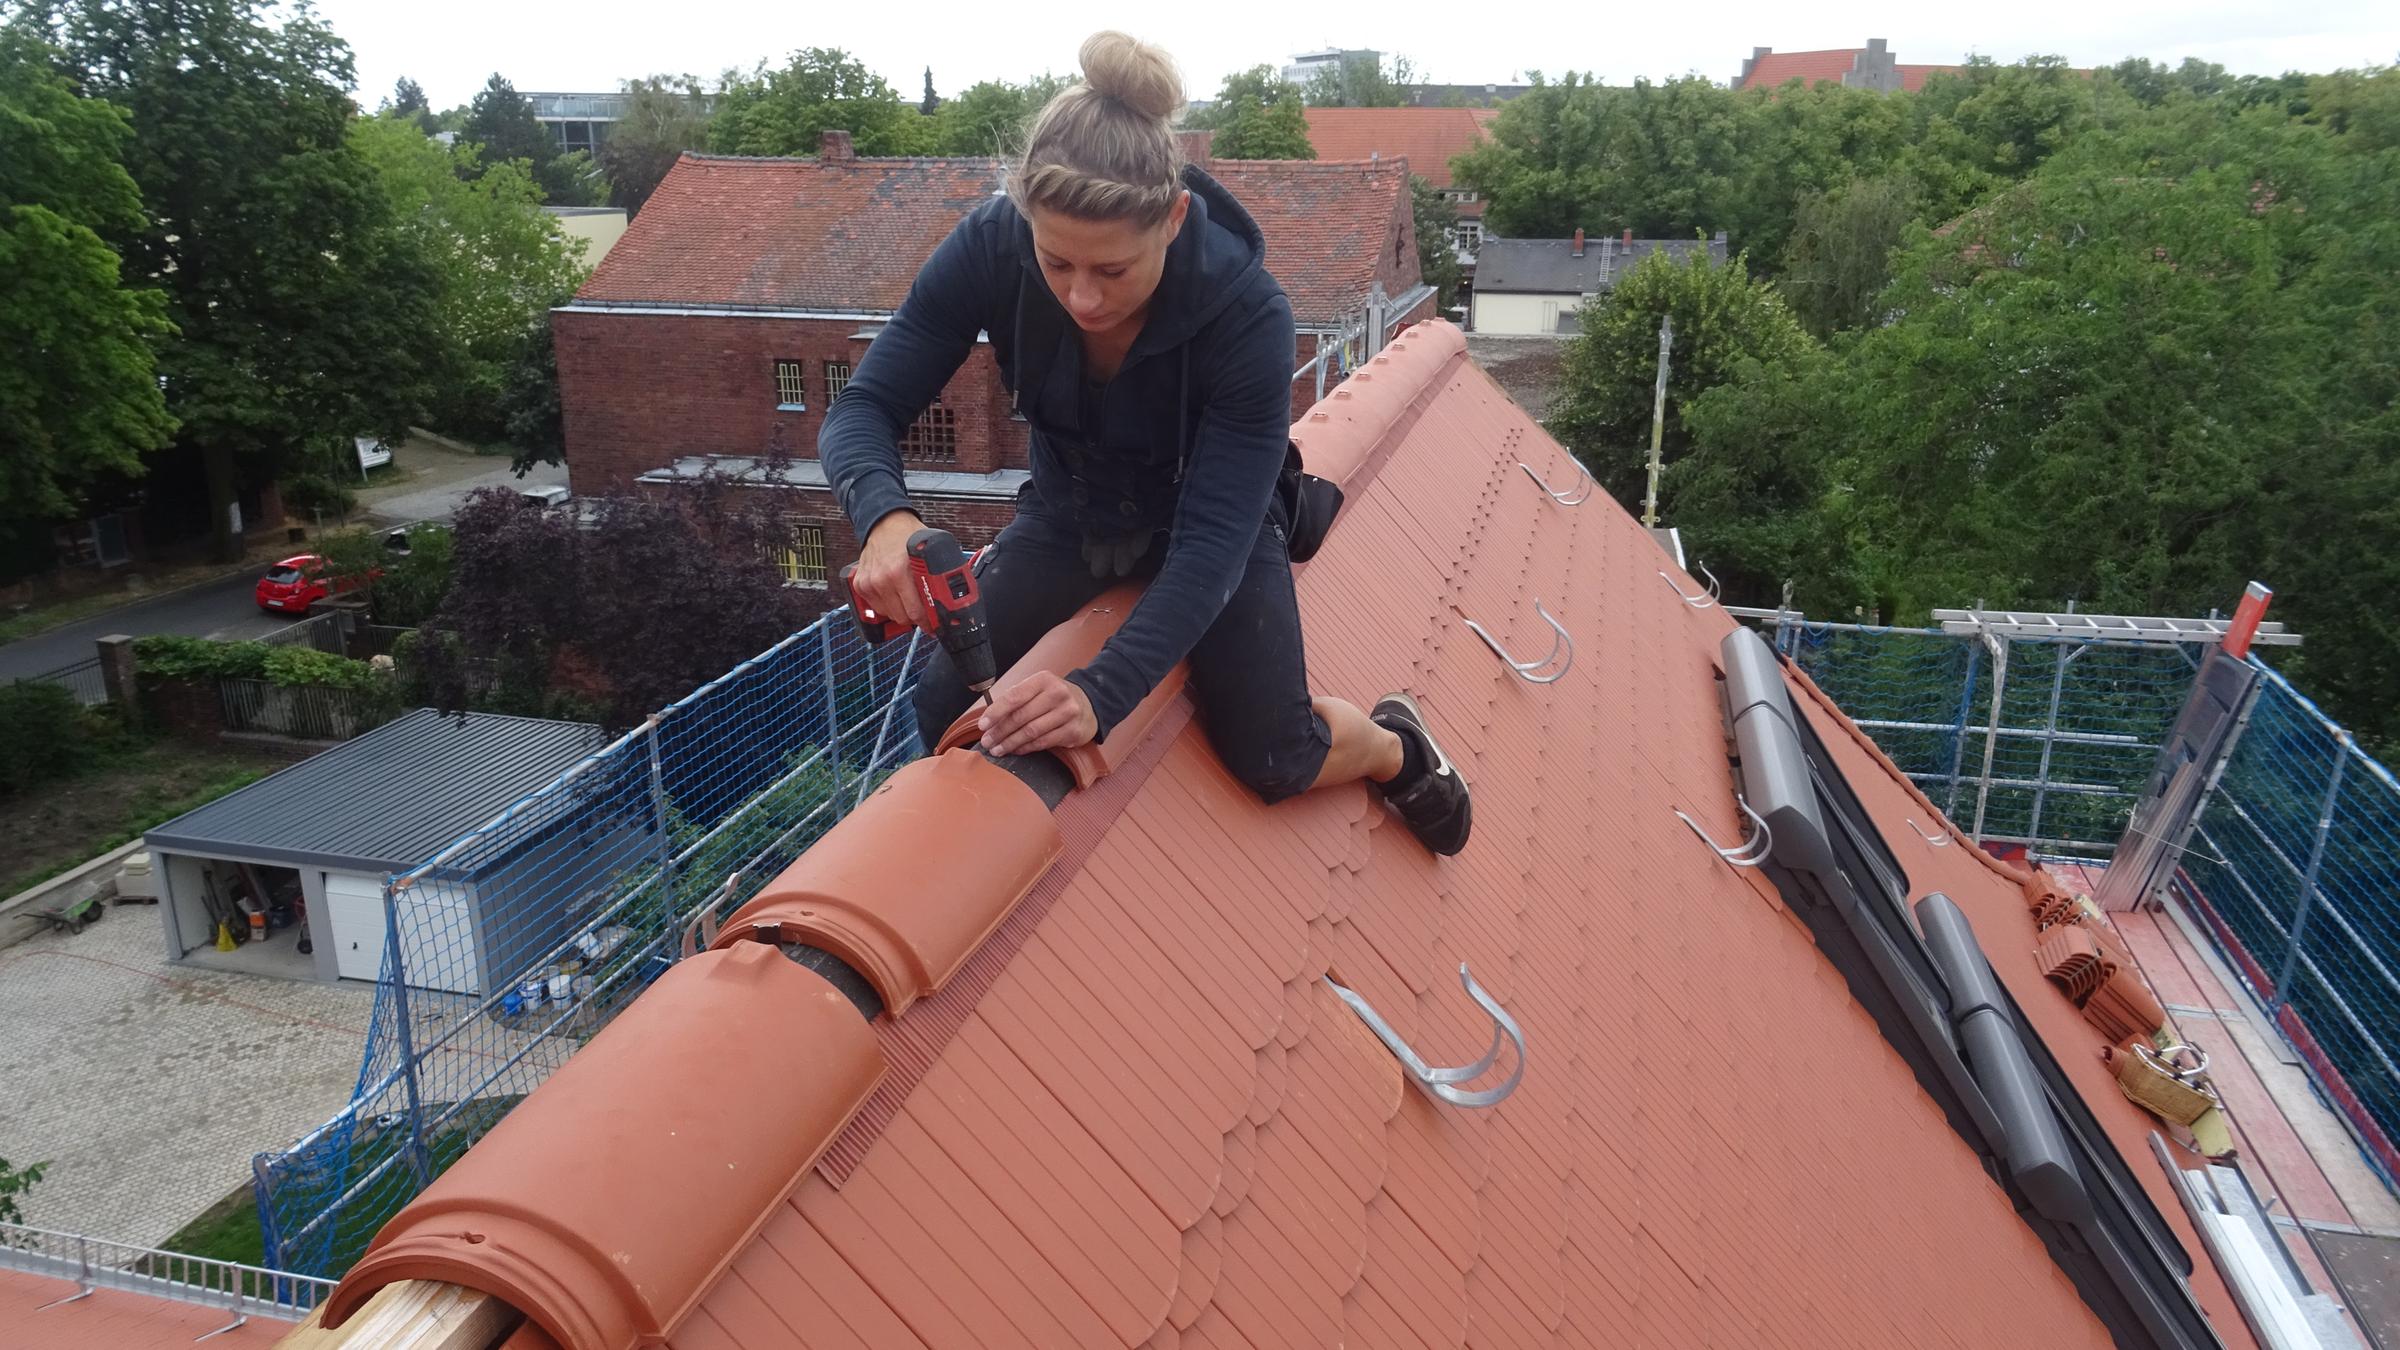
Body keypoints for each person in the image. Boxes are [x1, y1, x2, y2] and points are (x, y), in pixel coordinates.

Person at [820, 32, 1471, 855]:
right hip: (1073, 511)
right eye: (1057, 263)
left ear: (1173, 218)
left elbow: (1211, 548)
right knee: (941, 704)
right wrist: (885, 519)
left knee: (1273, 756)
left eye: (1113, 271)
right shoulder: (990, 246)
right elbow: (863, 407)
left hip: (1209, 521)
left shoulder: (1249, 317)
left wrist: (1099, 694)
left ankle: (1394, 747)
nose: (1082, 298)